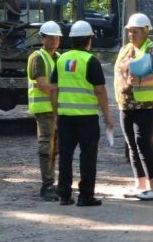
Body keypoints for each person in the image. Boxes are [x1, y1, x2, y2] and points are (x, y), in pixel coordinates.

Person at [50, 20, 114, 207]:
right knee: (87, 157)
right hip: (86, 118)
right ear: (89, 40)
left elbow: (53, 89)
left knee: (65, 156)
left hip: (65, 117)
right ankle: (85, 196)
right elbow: (100, 90)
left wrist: (55, 114)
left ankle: (64, 195)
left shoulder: (60, 60)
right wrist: (107, 116)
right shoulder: (90, 61)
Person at [114, 13, 153, 201]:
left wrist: (140, 80)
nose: (131, 34)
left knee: (143, 144)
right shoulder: (125, 49)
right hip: (127, 104)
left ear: (146, 31)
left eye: (135, 31)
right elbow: (119, 70)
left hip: (148, 105)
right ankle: (140, 185)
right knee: (131, 145)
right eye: (129, 31)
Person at [27, 21, 63, 201]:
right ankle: (47, 185)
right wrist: (61, 89)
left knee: (55, 148)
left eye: (57, 37)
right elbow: (42, 85)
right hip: (43, 108)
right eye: (51, 37)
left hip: (56, 109)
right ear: (43, 38)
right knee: (46, 147)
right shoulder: (38, 57)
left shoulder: (57, 57)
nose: (55, 40)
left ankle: (51, 183)